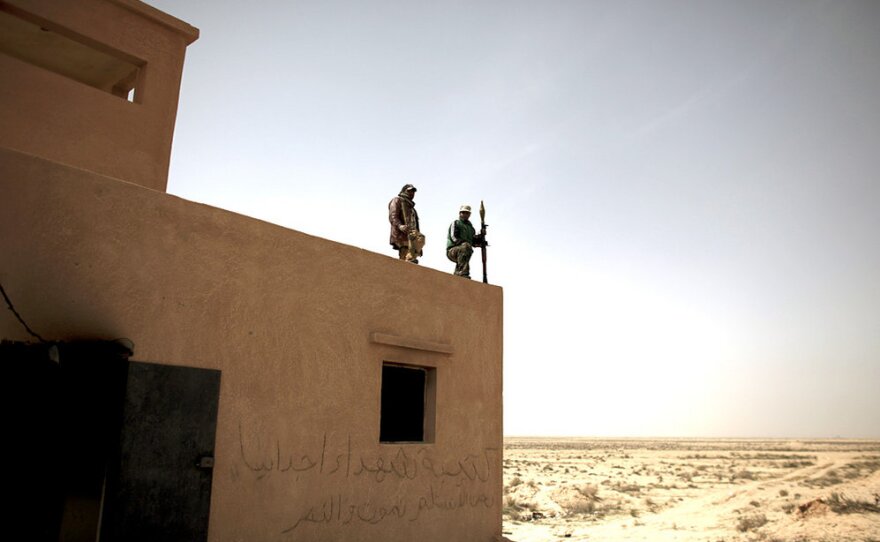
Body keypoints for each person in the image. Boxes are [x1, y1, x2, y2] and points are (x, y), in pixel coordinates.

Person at [388, 184, 424, 263]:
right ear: (404, 191)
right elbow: (393, 216)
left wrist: (419, 247)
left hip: (412, 235)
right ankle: (408, 259)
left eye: (413, 191)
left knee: (421, 238)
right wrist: (400, 226)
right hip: (402, 235)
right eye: (409, 191)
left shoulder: (412, 208)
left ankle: (410, 258)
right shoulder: (397, 200)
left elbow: (415, 224)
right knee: (405, 258)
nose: (412, 193)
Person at [446, 204, 485, 278]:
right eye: (463, 212)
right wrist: (463, 243)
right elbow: (453, 237)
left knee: (467, 249)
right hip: (452, 251)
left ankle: (458, 273)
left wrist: (481, 236)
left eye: (466, 213)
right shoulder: (456, 223)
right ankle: (463, 273)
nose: (464, 214)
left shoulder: (471, 228)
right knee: (466, 246)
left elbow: (473, 242)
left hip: (464, 251)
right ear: (460, 213)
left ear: (469, 214)